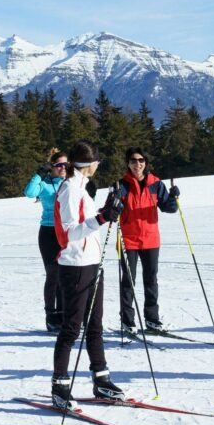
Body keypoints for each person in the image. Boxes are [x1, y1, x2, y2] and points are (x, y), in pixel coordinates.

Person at [50, 139, 126, 410]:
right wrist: (103, 218)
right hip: (75, 266)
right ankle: (59, 385)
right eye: (97, 161)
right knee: (71, 328)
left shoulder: (82, 188)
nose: (98, 165)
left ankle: (101, 379)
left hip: (92, 262)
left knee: (95, 325)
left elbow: (91, 223)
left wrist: (107, 210)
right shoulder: (70, 189)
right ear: (90, 164)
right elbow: (70, 232)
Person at [115, 147, 178, 334]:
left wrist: (174, 196)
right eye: (133, 160)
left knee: (151, 280)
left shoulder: (156, 184)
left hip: (151, 239)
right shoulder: (121, 185)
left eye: (141, 160)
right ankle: (127, 320)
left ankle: (152, 319)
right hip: (128, 240)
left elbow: (169, 208)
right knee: (128, 281)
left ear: (146, 162)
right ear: (128, 163)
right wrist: (115, 201)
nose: (137, 164)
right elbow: (111, 211)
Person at [24, 148, 68, 332]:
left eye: (66, 165)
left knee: (66, 275)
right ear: (52, 167)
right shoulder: (45, 183)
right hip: (49, 232)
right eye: (59, 165)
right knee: (53, 275)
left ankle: (65, 314)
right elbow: (29, 192)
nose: (63, 168)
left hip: (66, 232)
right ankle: (51, 317)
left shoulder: (70, 183)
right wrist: (39, 174)